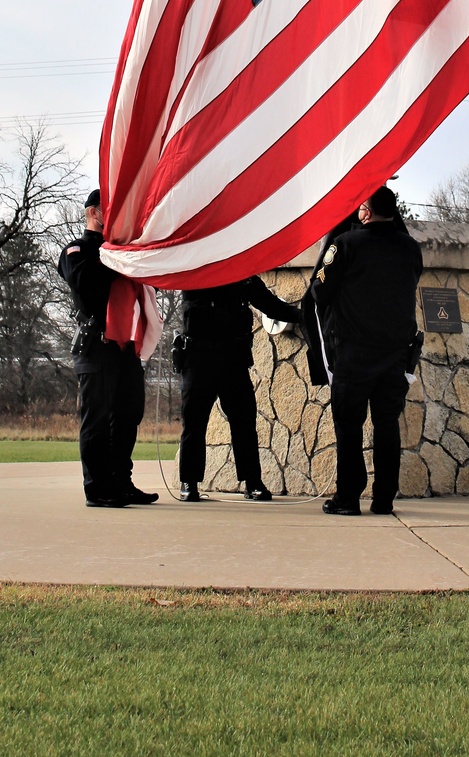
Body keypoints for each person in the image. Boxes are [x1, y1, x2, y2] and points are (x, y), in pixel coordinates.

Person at [311, 186, 423, 516]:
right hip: (395, 354)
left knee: (349, 428)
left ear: (365, 212)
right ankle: (384, 498)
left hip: (353, 353)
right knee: (387, 426)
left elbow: (319, 292)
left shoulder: (344, 245)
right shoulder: (411, 249)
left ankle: (348, 498)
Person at [58, 189, 158, 508]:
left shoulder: (121, 252)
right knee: (97, 419)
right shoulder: (78, 250)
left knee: (128, 415)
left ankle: (119, 481)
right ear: (94, 213)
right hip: (96, 345)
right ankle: (97, 487)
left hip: (125, 346)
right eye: (110, 209)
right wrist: (116, 256)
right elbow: (86, 286)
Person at [176, 276, 299, 502]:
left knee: (244, 422)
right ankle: (188, 481)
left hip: (233, 358)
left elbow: (267, 303)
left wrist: (302, 316)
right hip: (199, 356)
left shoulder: (242, 272)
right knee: (194, 421)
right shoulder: (195, 266)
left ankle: (252, 482)